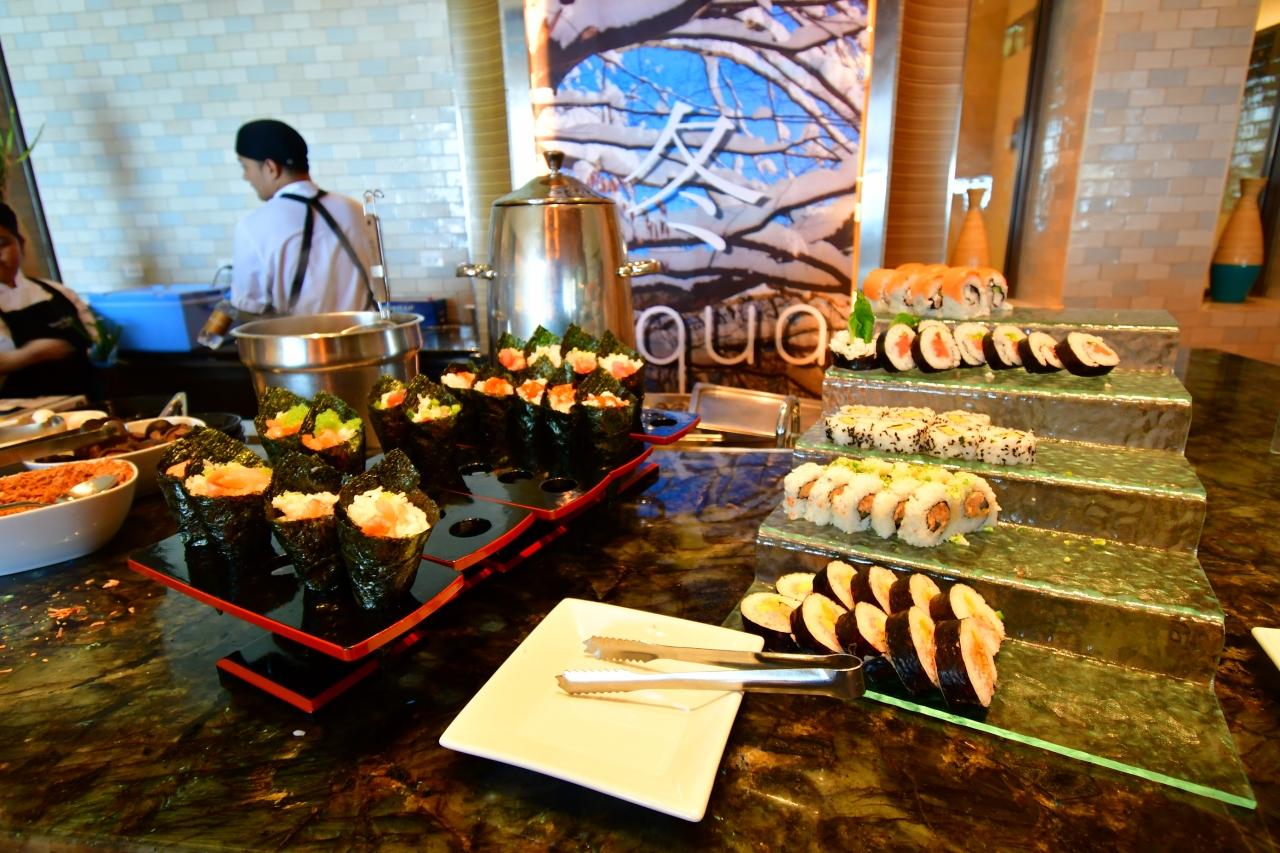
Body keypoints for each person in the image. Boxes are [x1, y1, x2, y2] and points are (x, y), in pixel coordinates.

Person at [230, 118, 376, 317]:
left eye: (245, 167)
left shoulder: (253, 226)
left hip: (299, 338)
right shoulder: (356, 210)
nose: (246, 177)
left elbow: (249, 312)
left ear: (271, 167)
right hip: (364, 335)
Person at [0, 202, 97, 398]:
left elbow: (95, 338)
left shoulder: (59, 292)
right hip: (23, 412)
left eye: (2, 243)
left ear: (21, 244)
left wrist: (102, 352)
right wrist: (25, 356)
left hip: (86, 402)